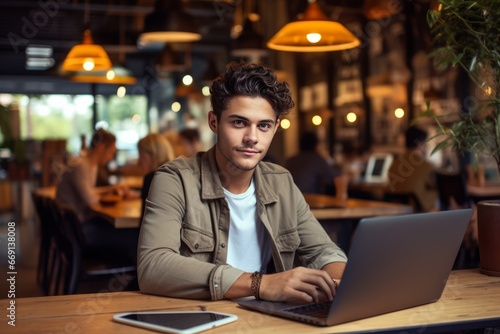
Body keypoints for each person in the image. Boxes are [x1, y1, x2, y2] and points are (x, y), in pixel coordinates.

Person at [138, 62, 347, 303]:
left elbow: (323, 251)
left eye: (264, 126)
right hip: (201, 318)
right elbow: (152, 267)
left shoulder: (281, 182)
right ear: (214, 122)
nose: (252, 138)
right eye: (239, 122)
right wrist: (261, 284)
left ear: (275, 128)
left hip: (265, 319)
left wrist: (337, 285)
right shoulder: (175, 179)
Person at [55, 128, 138, 264]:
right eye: (111, 152)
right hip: (77, 230)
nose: (111, 157)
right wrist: (119, 194)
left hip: (75, 225)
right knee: (134, 235)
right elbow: (91, 201)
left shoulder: (90, 165)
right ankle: (129, 279)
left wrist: (112, 189)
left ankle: (121, 272)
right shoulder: (80, 166)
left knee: (127, 231)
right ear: (101, 147)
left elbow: (90, 191)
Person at [386, 125, 438, 212]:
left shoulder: (394, 164)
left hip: (398, 213)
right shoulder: (425, 165)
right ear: (420, 143)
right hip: (420, 213)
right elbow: (435, 185)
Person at [137, 133, 176, 221]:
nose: (138, 162)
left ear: (153, 156)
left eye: (142, 156)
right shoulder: (174, 175)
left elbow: (145, 222)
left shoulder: (152, 178)